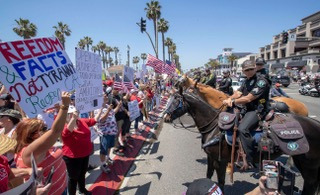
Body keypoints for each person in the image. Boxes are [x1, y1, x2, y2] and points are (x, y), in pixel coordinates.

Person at [15, 91, 71, 195]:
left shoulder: (38, 146)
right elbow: (55, 131)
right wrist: (65, 106)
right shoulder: (30, 151)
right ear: (31, 134)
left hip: (61, 187)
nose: (46, 130)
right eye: (43, 128)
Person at [223, 60, 271, 170]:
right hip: (246, 109)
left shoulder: (261, 81)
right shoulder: (246, 80)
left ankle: (250, 160)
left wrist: (234, 102)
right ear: (243, 71)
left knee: (242, 129)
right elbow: (238, 93)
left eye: (251, 69)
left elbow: (249, 98)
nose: (249, 72)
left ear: (255, 68)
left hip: (258, 110)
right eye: (246, 70)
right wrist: (229, 98)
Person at [61, 105, 96, 195]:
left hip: (84, 154)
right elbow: (66, 133)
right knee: (73, 178)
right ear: (66, 115)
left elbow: (93, 121)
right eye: (70, 114)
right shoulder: (63, 126)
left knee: (82, 173)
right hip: (72, 157)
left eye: (74, 113)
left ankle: (82, 189)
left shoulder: (81, 121)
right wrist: (74, 118)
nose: (73, 115)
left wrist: (103, 107)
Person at [95, 94, 122, 173]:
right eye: (104, 96)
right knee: (103, 150)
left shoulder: (107, 106)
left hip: (112, 132)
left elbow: (113, 112)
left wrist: (118, 106)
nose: (107, 97)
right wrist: (108, 110)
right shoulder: (98, 108)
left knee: (109, 147)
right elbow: (101, 120)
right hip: (105, 133)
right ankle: (103, 164)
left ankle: (107, 158)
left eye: (106, 96)